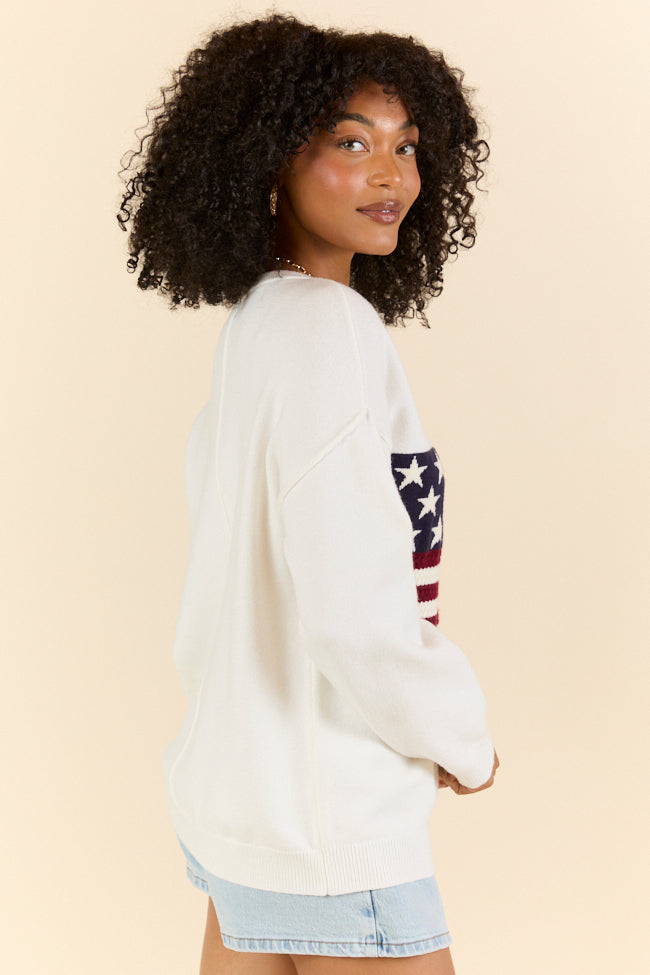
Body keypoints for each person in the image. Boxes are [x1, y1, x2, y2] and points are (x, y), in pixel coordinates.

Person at [117, 12, 499, 974]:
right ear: (271, 158)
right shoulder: (326, 328)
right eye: (352, 143)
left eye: (407, 146)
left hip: (246, 806)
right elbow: (351, 605)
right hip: (333, 818)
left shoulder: (260, 324)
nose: (392, 174)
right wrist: (456, 732)